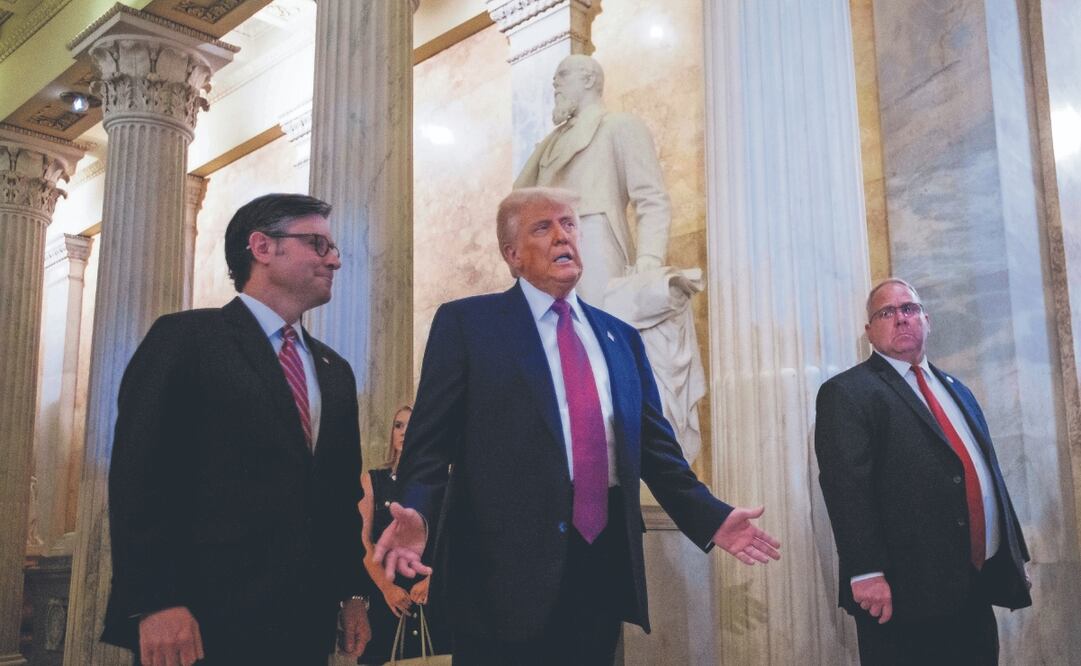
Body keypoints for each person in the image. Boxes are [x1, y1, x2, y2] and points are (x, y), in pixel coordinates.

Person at [375, 187, 781, 665]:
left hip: (599, 564)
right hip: (498, 576)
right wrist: (418, 513)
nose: (561, 236)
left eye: (569, 224)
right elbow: (428, 444)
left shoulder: (620, 337)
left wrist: (709, 515)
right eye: (542, 227)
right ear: (512, 255)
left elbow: (655, 449)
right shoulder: (469, 324)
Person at [101, 193, 372, 665]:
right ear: (262, 248)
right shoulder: (185, 340)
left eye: (333, 248)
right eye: (317, 244)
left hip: (304, 623)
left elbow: (337, 497)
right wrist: (156, 600)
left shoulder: (334, 368)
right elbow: (140, 477)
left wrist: (352, 593)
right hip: (202, 620)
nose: (335, 260)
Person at [814, 278, 1032, 664]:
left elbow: (986, 476)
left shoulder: (957, 389)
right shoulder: (848, 392)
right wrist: (865, 571)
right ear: (869, 330)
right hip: (903, 596)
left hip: (973, 587)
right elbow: (846, 487)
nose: (900, 318)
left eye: (909, 309)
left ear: (927, 321)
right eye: (886, 312)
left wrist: (1011, 556)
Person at [358, 406, 444, 664]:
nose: (404, 431)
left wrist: (434, 581)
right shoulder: (372, 480)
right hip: (387, 599)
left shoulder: (440, 483)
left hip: (430, 597)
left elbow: (451, 540)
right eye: (398, 425)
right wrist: (386, 588)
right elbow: (363, 542)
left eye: (411, 424)